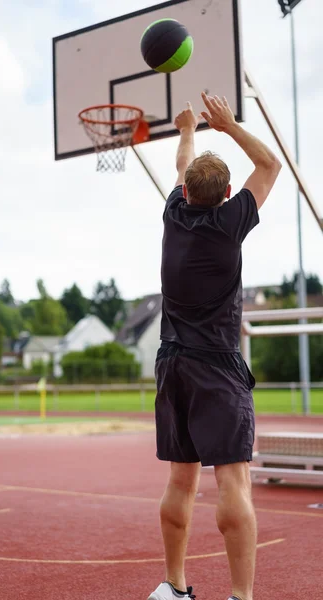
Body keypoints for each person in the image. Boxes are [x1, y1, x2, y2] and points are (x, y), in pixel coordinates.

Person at [147, 93, 282, 600]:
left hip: (171, 364)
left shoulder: (174, 214)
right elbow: (269, 164)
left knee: (181, 482)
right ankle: (241, 597)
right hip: (216, 369)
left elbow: (184, 167)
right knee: (233, 483)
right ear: (229, 193)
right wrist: (226, 126)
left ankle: (173, 587)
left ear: (184, 192)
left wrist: (188, 129)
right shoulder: (230, 225)